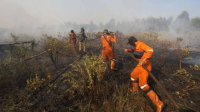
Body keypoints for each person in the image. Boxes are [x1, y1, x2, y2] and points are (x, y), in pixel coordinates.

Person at [124, 36, 164, 112]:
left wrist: (143, 60)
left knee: (143, 85)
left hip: (145, 67)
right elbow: (134, 50)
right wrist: (128, 50)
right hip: (140, 66)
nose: (131, 46)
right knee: (133, 76)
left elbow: (150, 50)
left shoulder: (141, 44)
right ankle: (135, 90)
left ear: (132, 42)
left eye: (130, 44)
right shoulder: (136, 46)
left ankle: (159, 104)